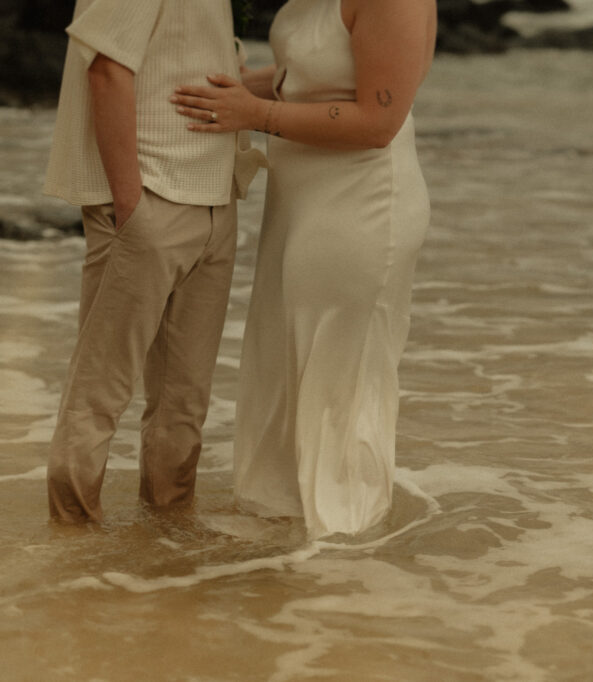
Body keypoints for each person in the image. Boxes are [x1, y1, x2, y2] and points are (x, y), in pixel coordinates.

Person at [172, 0, 437, 538]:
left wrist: (254, 114)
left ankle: (344, 568)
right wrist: (241, 85)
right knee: (284, 371)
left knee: (341, 383)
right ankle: (284, 557)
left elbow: (377, 121)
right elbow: (310, 72)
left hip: (361, 204)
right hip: (299, 203)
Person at [43, 0, 262, 523]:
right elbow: (106, 67)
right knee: (99, 393)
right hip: (152, 195)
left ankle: (166, 547)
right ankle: (71, 552)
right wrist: (129, 204)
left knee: (183, 404)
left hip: (214, 196)